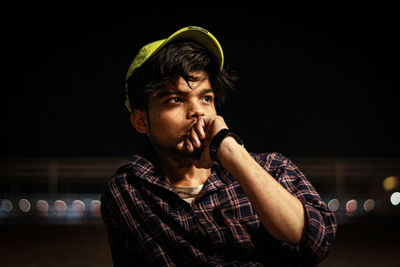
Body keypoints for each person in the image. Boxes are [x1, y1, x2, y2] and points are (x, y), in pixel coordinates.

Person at [100, 26, 337, 266]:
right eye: (175, 99)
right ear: (141, 121)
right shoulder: (129, 189)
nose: (197, 111)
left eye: (206, 98)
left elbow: (315, 241)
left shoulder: (272, 167)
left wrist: (232, 152)